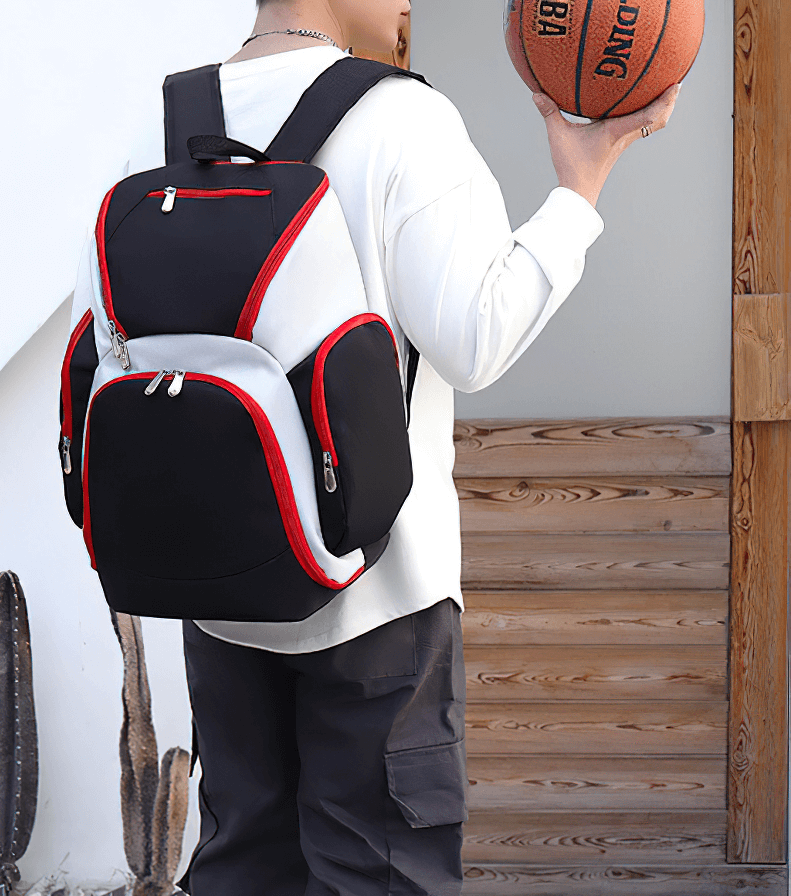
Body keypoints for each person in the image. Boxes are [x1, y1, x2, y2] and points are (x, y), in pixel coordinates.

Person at [66, 0, 680, 892]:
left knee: (242, 869)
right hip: (380, 605)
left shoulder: (162, 122)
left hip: (218, 599)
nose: (407, 2)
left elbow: (116, 346)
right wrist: (579, 190)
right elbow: (473, 343)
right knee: (384, 874)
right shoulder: (402, 118)